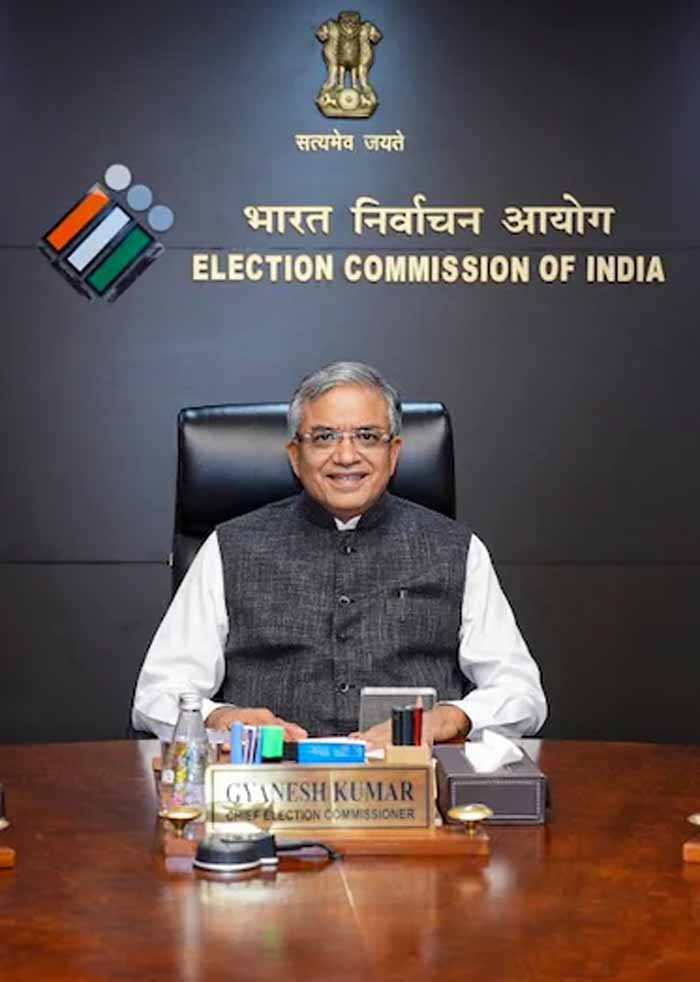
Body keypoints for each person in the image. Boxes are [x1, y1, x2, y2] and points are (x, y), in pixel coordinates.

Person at [132, 361, 546, 744]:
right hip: (271, 785)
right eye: (324, 437)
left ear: (394, 453)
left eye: (367, 436)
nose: (346, 456)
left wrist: (453, 718)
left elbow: (520, 692)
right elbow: (158, 693)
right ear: (295, 456)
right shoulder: (229, 547)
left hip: (415, 785)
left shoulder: (456, 548)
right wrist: (219, 718)